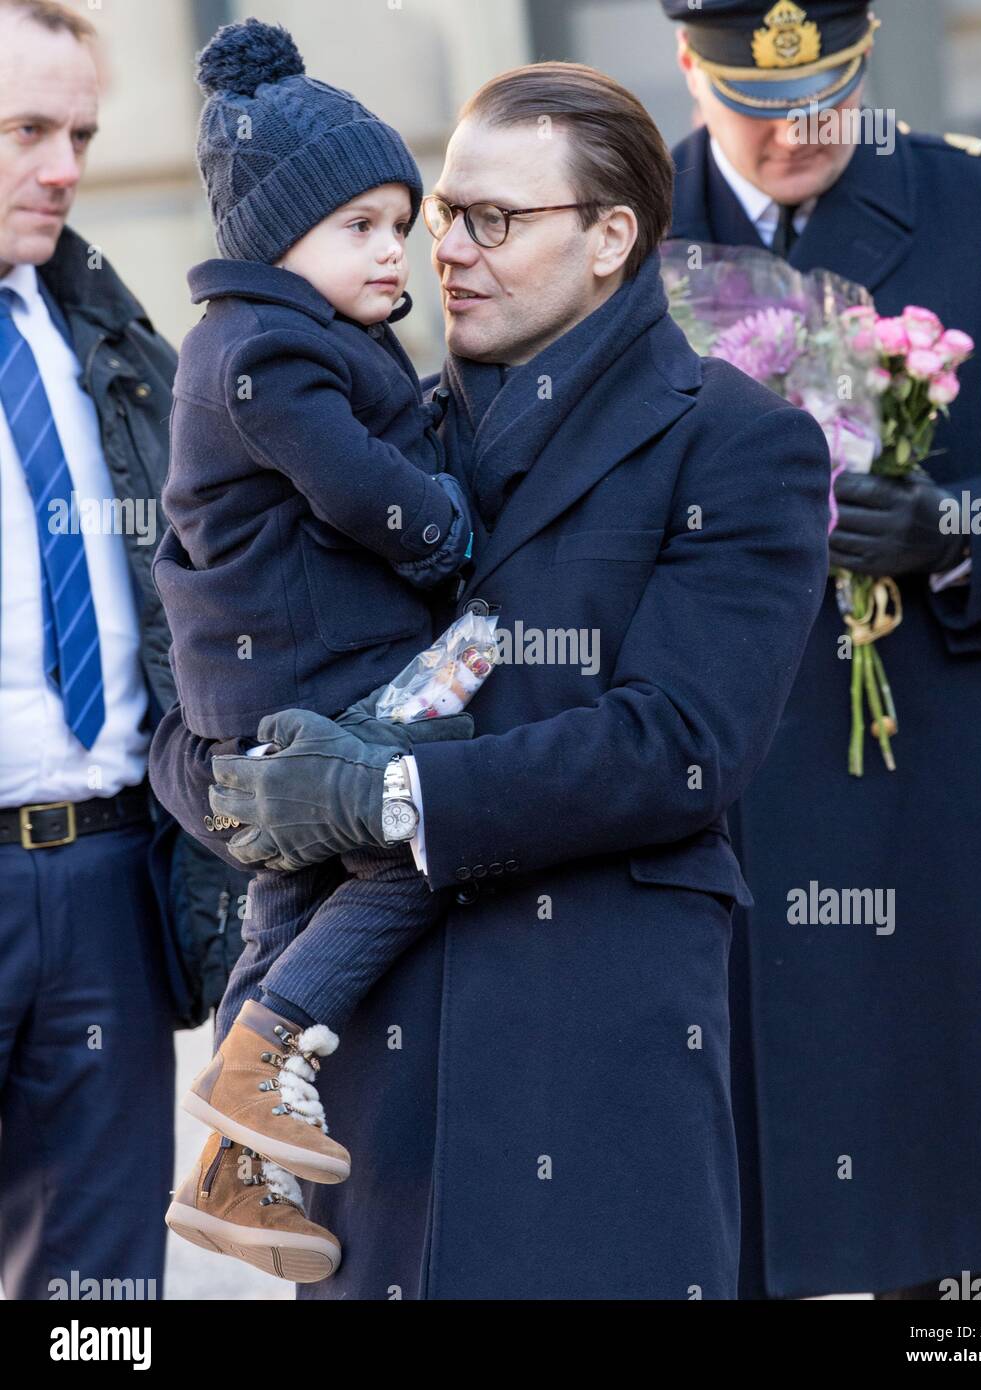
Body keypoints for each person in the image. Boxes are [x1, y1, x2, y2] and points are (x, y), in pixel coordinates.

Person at [150, 60, 831, 1299]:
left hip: (590, 1054)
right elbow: (196, 680)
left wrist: (387, 794)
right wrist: (248, 791)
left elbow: (680, 744)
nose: (444, 248)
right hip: (371, 1077)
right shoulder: (352, 427)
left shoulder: (737, 439)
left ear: (611, 237)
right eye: (442, 214)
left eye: (491, 220)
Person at [662, 0, 981, 1298]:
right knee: (724, 1193)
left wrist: (955, 522)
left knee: (946, 1206)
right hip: (716, 782)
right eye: (759, 103)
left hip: (927, 781)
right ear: (688, 67)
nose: (799, 131)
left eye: (826, 99)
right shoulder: (617, 229)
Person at [155, 19, 482, 1283]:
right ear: (273, 243)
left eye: (399, 222)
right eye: (357, 226)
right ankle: (271, 1041)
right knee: (421, 838)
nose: (390, 248)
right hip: (309, 683)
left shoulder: (274, 336)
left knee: (286, 900)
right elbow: (360, 492)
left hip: (276, 685)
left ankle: (234, 1168)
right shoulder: (269, 348)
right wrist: (447, 531)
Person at [0, 0, 241, 1301]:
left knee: (103, 1305)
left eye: (81, 131)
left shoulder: (112, 338)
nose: (66, 168)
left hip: (104, 878)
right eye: (27, 129)